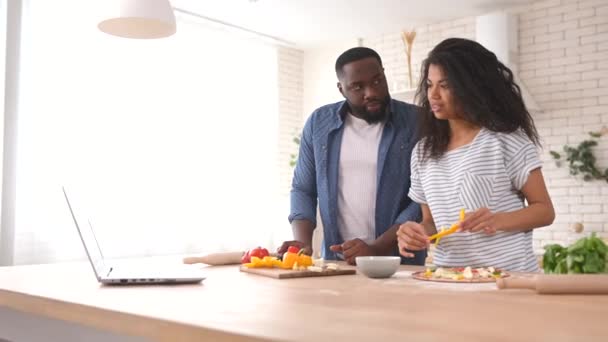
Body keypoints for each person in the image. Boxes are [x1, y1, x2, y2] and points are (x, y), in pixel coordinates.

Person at [396, 38, 555, 272]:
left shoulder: (506, 139)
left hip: (507, 279)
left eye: (445, 85)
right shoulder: (422, 152)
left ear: (470, 86)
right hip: (449, 278)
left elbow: (544, 210)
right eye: (430, 85)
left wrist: (498, 220)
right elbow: (431, 222)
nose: (434, 95)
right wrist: (417, 232)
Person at [279, 47, 425, 265]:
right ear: (341, 89)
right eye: (358, 87)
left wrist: (376, 248)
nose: (371, 92)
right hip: (337, 262)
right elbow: (303, 188)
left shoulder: (417, 121)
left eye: (377, 81)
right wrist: (303, 243)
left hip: (399, 262)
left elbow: (423, 196)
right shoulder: (319, 123)